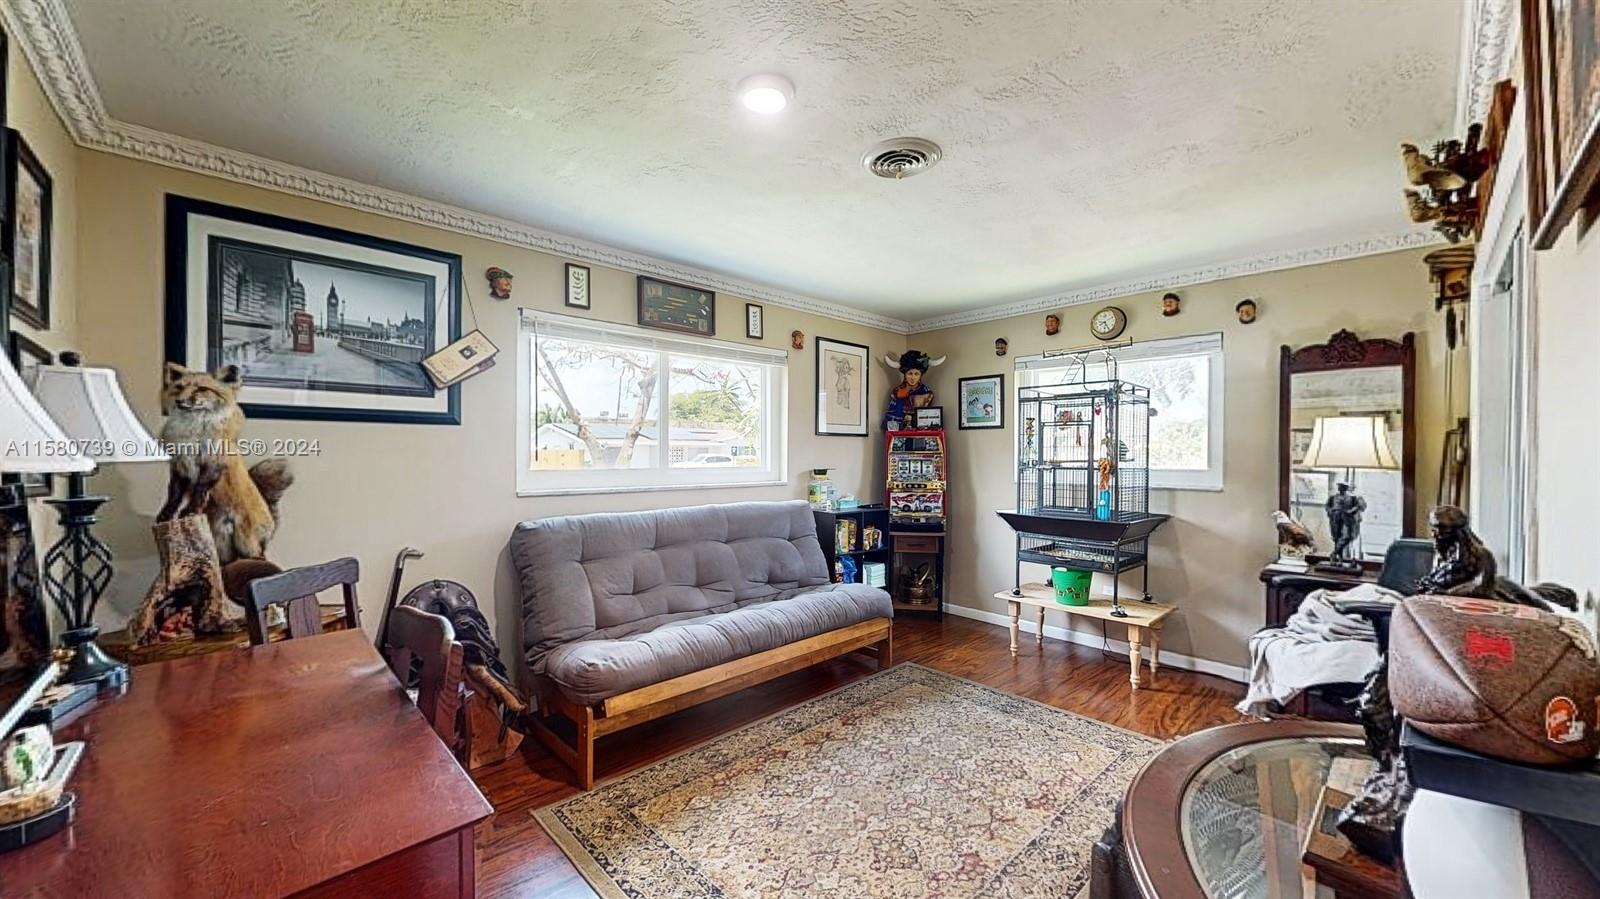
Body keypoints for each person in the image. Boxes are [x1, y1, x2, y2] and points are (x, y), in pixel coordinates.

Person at [1326, 482, 1366, 565]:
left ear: (1346, 488)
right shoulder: (1333, 496)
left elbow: (1357, 506)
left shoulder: (1352, 497)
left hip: (1347, 518)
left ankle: (1334, 553)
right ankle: (1339, 559)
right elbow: (1327, 506)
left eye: (1343, 487)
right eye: (1339, 486)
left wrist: (1351, 511)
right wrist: (1331, 511)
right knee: (1336, 538)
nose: (1340, 488)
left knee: (1348, 536)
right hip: (1335, 518)